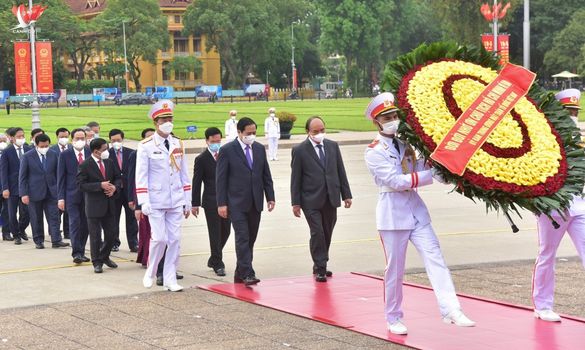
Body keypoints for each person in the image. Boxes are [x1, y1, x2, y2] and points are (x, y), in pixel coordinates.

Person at [364, 92, 475, 335]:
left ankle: (451, 309)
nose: (393, 119)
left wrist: (443, 170)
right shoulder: (373, 151)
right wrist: (430, 177)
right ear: (377, 122)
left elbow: (422, 167)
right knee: (395, 270)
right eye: (387, 117)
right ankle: (393, 317)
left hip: (416, 212)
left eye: (394, 115)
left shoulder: (407, 144)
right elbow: (395, 180)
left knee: (436, 258)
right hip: (392, 215)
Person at [532, 89, 585, 322]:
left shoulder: (580, 140)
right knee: (547, 255)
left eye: (575, 112)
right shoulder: (543, 140)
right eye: (568, 112)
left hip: (580, 205)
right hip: (553, 208)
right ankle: (542, 305)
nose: (572, 116)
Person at [136, 100, 191, 292]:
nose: (168, 121)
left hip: (175, 199)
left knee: (174, 239)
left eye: (170, 118)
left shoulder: (178, 143)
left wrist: (187, 200)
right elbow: (141, 176)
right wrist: (143, 201)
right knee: (159, 239)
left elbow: (184, 174)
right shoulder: (146, 146)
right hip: (156, 200)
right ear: (156, 122)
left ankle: (170, 278)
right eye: (164, 119)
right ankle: (151, 271)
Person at [290, 116, 352, 282]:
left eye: (322, 130)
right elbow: (295, 178)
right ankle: (321, 267)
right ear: (308, 132)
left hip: (331, 197)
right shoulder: (300, 150)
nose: (319, 134)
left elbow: (340, 170)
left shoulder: (332, 146)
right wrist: (295, 203)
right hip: (310, 199)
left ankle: (319, 263)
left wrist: (347, 194)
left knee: (326, 232)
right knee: (317, 232)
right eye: (315, 131)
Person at [216, 117, 275, 286]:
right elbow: (221, 179)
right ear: (239, 132)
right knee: (242, 237)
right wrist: (222, 203)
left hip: (255, 202)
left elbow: (266, 175)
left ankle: (239, 272)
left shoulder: (258, 148)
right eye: (248, 133)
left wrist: (270, 196)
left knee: (251, 239)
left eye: (254, 132)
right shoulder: (227, 150)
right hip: (236, 202)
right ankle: (248, 273)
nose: (252, 136)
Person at [77, 138, 121, 273]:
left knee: (112, 234)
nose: (107, 152)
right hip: (94, 206)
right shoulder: (85, 165)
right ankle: (97, 262)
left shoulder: (109, 162)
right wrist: (99, 185)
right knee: (95, 236)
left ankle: (104, 256)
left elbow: (118, 177)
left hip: (109, 204)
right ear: (96, 151)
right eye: (104, 149)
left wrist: (115, 187)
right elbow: (81, 185)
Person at [192, 127, 231, 277]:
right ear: (207, 141)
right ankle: (218, 264)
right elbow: (197, 182)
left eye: (219, 141)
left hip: (227, 200)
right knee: (215, 232)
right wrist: (195, 203)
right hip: (210, 201)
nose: (216, 143)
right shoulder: (201, 159)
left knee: (226, 231)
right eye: (213, 141)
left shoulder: (226, 155)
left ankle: (214, 257)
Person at [19, 134, 68, 249]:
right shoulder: (27, 156)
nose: (45, 147)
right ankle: (39, 240)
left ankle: (56, 240)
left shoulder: (54, 154)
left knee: (54, 216)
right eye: (42, 146)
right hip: (34, 192)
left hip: (52, 191)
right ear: (36, 145)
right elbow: (22, 177)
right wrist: (23, 193)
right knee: (36, 218)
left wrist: (60, 190)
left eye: (47, 145)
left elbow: (58, 173)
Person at [58, 128, 91, 264]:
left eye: (82, 138)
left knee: (85, 224)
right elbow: (61, 177)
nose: (80, 141)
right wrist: (61, 198)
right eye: (77, 138)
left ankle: (81, 251)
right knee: (75, 223)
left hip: (88, 195)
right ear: (72, 140)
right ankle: (76, 253)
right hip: (71, 195)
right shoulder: (65, 155)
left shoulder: (90, 152)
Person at [108, 129, 138, 252]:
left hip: (129, 190)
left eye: (118, 140)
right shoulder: (107, 154)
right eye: (113, 140)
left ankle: (133, 243)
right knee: (114, 218)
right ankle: (114, 242)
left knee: (131, 218)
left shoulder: (131, 153)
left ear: (123, 139)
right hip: (114, 191)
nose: (116, 142)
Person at [1, 127, 30, 245]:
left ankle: (21, 229)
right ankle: (16, 235)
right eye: (18, 136)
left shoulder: (28, 149)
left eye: (22, 136)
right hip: (12, 188)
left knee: (27, 213)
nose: (21, 138)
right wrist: (5, 188)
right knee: (12, 213)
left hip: (26, 188)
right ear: (12, 138)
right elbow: (3, 172)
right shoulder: (7, 152)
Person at [51, 127, 72, 239]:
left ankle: (67, 232)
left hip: (69, 184)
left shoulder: (73, 148)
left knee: (69, 210)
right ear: (57, 137)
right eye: (61, 137)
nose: (64, 139)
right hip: (56, 184)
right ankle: (54, 231)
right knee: (57, 211)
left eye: (66, 137)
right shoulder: (52, 150)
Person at [0, 133, 12, 240]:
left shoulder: (8, 153)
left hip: (5, 187)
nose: (2, 143)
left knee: (6, 211)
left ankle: (6, 232)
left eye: (4, 140)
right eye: (0, 141)